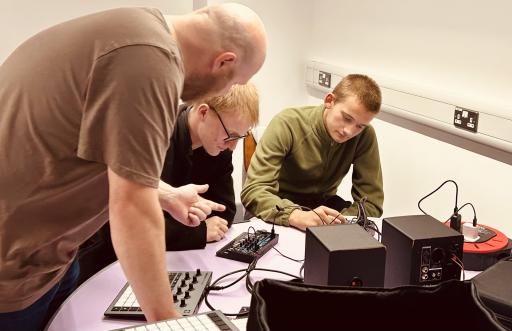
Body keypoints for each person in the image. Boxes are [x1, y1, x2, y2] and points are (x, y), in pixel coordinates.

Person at [0, 4, 266, 330]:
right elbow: (133, 210)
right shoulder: (148, 63)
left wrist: (167, 195)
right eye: (232, 83)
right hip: (14, 273)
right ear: (224, 61)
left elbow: (107, 156)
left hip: (51, 257)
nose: (226, 91)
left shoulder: (138, 31)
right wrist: (169, 323)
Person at [78, 83, 259, 283]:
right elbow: (131, 221)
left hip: (172, 259)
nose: (232, 146)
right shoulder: (153, 136)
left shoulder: (218, 146)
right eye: (231, 135)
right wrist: (197, 231)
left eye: (240, 137)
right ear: (204, 112)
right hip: (107, 262)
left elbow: (223, 213)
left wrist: (179, 225)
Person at [241, 74, 383, 231]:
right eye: (346, 118)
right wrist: (295, 215)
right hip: (279, 207)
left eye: (360, 126)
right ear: (329, 101)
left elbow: (371, 204)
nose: (349, 131)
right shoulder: (287, 123)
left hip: (325, 210)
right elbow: (254, 191)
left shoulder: (365, 135)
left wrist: (339, 223)